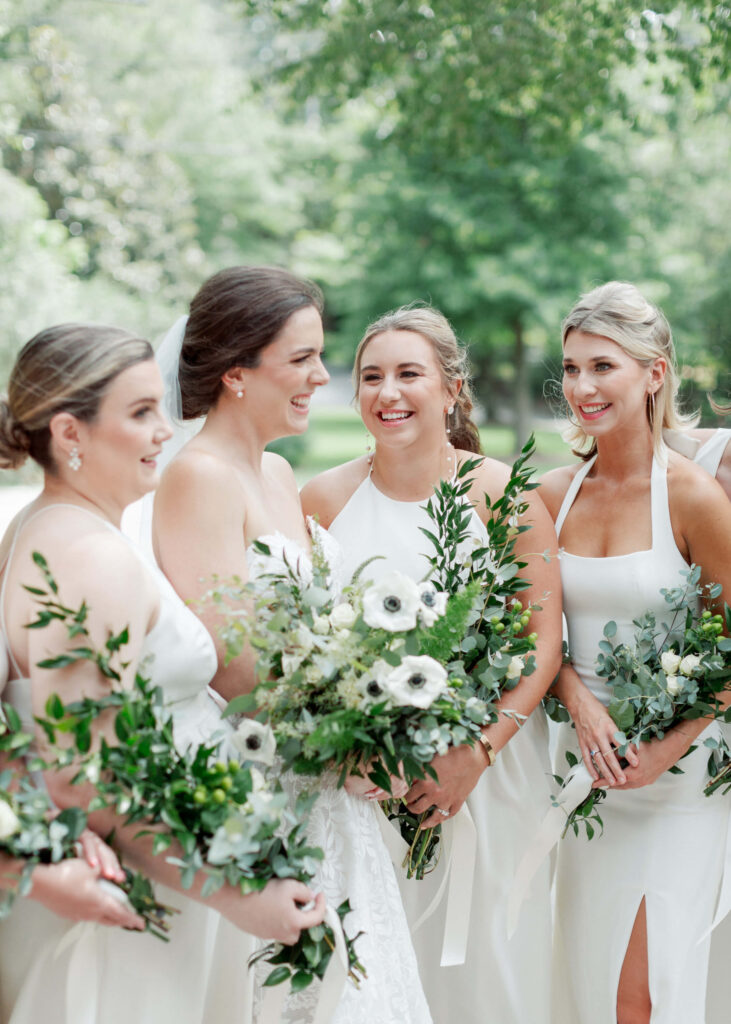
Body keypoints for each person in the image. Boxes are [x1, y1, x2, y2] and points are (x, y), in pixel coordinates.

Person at [0, 323, 326, 1024]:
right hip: (139, 897)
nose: (164, 430)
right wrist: (235, 895)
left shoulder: (43, 527)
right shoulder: (91, 557)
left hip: (151, 874)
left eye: (160, 407)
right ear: (70, 432)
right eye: (140, 412)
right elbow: (83, 773)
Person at [152, 266, 433, 1024]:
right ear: (237, 371)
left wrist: (372, 721)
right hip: (268, 787)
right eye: (302, 358)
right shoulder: (198, 478)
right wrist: (346, 746)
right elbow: (229, 654)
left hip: (328, 786)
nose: (321, 377)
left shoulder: (275, 472)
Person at [301, 305, 563, 1024]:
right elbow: (301, 649)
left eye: (407, 374)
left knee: (492, 977)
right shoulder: (319, 502)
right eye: (370, 377)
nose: (387, 393)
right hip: (369, 785)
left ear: (450, 389)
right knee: (385, 970)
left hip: (494, 775)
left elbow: (543, 645)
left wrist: (474, 753)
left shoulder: (501, 494)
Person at [538, 282, 731, 1024]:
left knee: (642, 998)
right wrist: (581, 704)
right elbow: (535, 640)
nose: (580, 387)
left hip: (675, 787)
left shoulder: (690, 497)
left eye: (601, 366)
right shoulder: (551, 497)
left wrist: (668, 746)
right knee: (587, 986)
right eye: (570, 368)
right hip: (582, 780)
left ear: (653, 374)